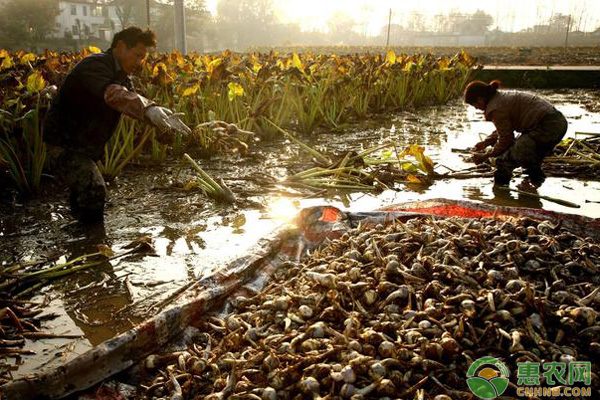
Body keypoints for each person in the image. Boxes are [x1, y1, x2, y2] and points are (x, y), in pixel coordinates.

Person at [44, 27, 191, 223]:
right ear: (121, 46)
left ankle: (79, 238)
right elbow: (113, 94)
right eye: (138, 55)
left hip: (84, 146)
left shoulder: (122, 77)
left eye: (143, 58)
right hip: (64, 142)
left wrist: (162, 125)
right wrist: (148, 109)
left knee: (82, 194)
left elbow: (132, 103)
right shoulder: (94, 66)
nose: (140, 63)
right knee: (93, 188)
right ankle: (92, 241)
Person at [464, 80, 568, 192]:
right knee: (529, 162)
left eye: (474, 105)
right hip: (556, 123)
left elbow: (506, 140)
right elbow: (505, 128)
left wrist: (486, 155)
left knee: (504, 162)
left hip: (547, 126)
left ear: (480, 99)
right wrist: (486, 142)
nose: (476, 108)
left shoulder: (497, 107)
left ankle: (501, 196)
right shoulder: (499, 98)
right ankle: (532, 193)